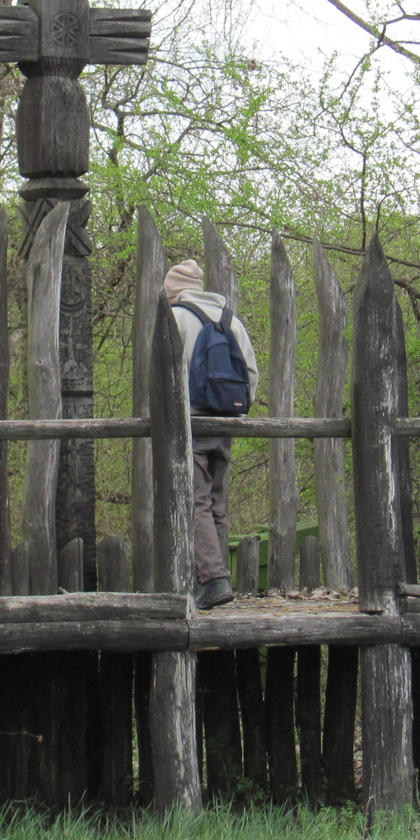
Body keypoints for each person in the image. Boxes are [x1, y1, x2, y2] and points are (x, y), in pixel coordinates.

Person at [165, 259, 259, 611]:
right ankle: (216, 580)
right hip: (227, 421)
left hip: (192, 422)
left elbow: (166, 372)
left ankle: (213, 580)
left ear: (173, 290)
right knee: (215, 500)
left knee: (194, 499)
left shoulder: (175, 317)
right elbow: (251, 372)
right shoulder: (230, 319)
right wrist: (235, 410)